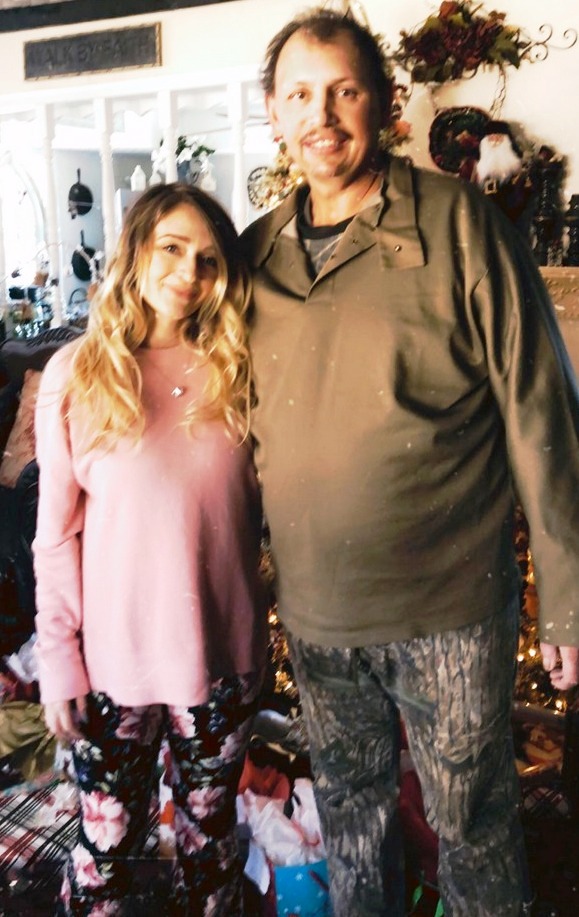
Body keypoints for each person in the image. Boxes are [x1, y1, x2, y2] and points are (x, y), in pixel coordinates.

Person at [241, 7, 579, 917]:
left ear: (385, 104)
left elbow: (539, 406)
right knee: (351, 829)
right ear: (273, 112)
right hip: (317, 618)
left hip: (449, 610)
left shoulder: (462, 224)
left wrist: (567, 594)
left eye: (343, 91)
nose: (321, 116)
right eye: (299, 95)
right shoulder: (253, 254)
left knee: (472, 829)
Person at [33, 183, 268, 915]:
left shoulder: (240, 365)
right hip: (113, 668)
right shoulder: (78, 373)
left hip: (221, 660)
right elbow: (55, 534)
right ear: (136, 252)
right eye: (171, 248)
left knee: (210, 846)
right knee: (107, 849)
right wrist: (57, 659)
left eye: (206, 258)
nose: (188, 272)